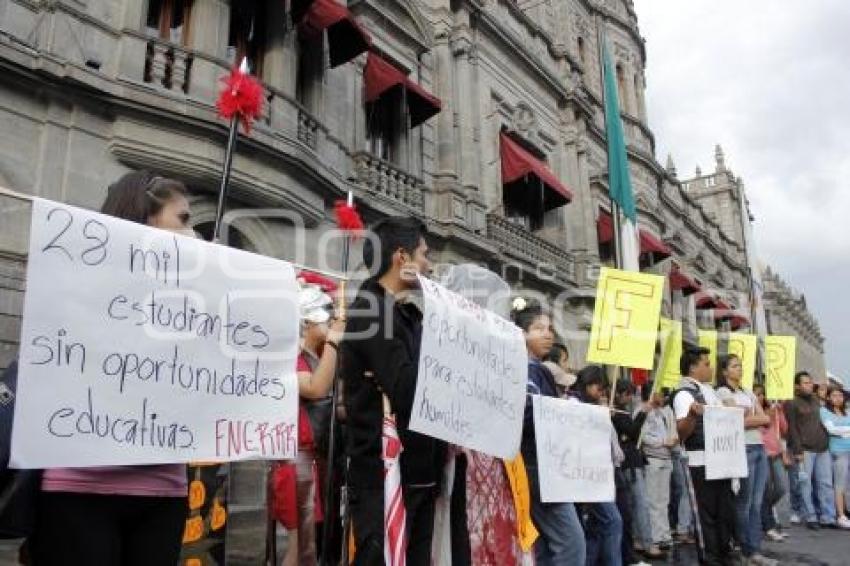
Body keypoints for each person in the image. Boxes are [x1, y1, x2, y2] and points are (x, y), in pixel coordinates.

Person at [30, 170, 192, 565]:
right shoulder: (76, 281)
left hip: (162, 489)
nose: (193, 231)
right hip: (80, 486)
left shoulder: (195, 292)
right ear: (147, 216)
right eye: (184, 220)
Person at [341, 217, 446, 565]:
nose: (429, 265)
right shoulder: (371, 311)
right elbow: (406, 389)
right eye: (424, 254)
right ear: (402, 256)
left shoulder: (407, 316)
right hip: (383, 475)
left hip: (418, 471)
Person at [433, 264, 526, 565]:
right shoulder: (445, 346)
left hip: (495, 459)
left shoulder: (497, 354)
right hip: (460, 456)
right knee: (464, 529)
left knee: (494, 527)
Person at [272, 284, 345, 566]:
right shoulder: (292, 355)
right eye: (323, 317)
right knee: (293, 541)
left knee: (309, 543)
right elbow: (315, 389)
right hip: (293, 458)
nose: (329, 321)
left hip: (315, 457)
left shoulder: (315, 356)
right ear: (306, 322)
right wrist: (333, 342)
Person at [516, 300, 587, 566]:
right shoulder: (525, 368)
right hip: (537, 467)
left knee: (545, 546)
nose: (548, 335)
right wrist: (565, 409)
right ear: (522, 333)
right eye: (538, 328)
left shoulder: (535, 369)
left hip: (540, 465)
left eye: (550, 329)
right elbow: (527, 414)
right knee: (571, 544)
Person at [671, 346, 734, 566]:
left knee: (724, 515)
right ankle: (711, 559)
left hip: (721, 461)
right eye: (706, 364)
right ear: (693, 367)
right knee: (706, 518)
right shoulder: (684, 395)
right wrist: (691, 415)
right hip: (701, 463)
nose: (711, 368)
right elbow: (681, 432)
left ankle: (724, 556)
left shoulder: (709, 391)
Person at [715, 355, 774, 566]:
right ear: (724, 371)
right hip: (742, 448)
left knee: (757, 503)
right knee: (744, 502)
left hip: (759, 447)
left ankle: (755, 550)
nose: (739, 369)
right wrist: (750, 416)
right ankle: (744, 548)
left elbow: (766, 418)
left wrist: (750, 416)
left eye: (740, 365)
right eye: (734, 366)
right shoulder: (722, 392)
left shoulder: (747, 391)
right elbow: (735, 419)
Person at [575, 366, 627, 566]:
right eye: (597, 385)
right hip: (587, 474)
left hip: (603, 471)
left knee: (596, 528)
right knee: (613, 521)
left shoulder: (597, 405)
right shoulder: (575, 404)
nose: (601, 390)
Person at [611, 380, 658, 560]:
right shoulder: (616, 413)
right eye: (627, 394)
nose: (630, 398)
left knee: (634, 506)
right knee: (639, 504)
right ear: (620, 394)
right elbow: (631, 431)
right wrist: (642, 416)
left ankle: (638, 541)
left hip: (632, 461)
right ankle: (646, 542)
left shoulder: (622, 412)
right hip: (628, 464)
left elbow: (632, 434)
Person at [786, 371, 836, 529]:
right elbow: (792, 429)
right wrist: (797, 451)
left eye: (810, 382)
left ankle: (828, 516)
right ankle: (810, 516)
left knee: (825, 483)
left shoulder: (816, 400)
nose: (809, 385)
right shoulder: (792, 403)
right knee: (805, 484)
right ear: (797, 386)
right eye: (805, 383)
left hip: (822, 448)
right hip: (805, 450)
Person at [641, 384, 678, 551]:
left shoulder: (664, 412)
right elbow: (644, 437)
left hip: (666, 457)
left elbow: (672, 432)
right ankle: (655, 536)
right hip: (652, 458)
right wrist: (663, 442)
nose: (662, 396)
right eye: (658, 393)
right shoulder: (643, 411)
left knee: (664, 500)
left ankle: (664, 534)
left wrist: (672, 440)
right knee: (653, 499)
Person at [753, 384, 789, 542]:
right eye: (756, 394)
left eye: (762, 394)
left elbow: (784, 429)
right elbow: (758, 430)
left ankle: (763, 513)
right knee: (766, 490)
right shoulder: (752, 412)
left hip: (776, 453)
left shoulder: (773, 410)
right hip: (762, 453)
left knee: (781, 488)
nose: (760, 397)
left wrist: (779, 412)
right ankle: (769, 526)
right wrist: (766, 415)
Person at [819, 385, 850, 529]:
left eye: (840, 396)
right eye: (834, 395)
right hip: (838, 452)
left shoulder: (846, 412)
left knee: (847, 485)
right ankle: (841, 515)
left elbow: (839, 430)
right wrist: (845, 431)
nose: (838, 398)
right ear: (828, 398)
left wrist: (843, 432)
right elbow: (831, 430)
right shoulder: (824, 411)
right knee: (839, 484)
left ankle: (846, 512)